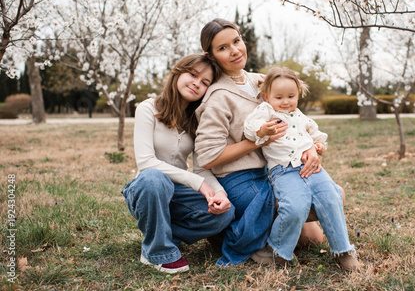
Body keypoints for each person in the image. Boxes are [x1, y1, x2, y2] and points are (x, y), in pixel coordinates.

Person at [195, 18, 324, 267]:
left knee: (313, 238)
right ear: (210, 56)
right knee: (302, 209)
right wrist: (256, 140)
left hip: (273, 169)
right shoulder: (218, 97)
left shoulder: (260, 82)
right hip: (238, 178)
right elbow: (208, 157)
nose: (234, 50)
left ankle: (255, 228)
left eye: (236, 41)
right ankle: (238, 235)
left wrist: (310, 147)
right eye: (223, 48)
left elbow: (294, 118)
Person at [122, 54, 235, 274]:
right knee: (154, 178)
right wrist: (198, 182)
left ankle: (159, 236)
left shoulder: (198, 120)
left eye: (205, 83)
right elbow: (146, 162)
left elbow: (203, 168)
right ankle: (158, 252)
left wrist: (219, 194)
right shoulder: (148, 108)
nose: (196, 83)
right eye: (193, 75)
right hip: (146, 189)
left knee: (226, 214)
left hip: (178, 194)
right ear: (177, 72)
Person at [243, 66, 360, 271]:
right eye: (279, 97)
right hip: (284, 171)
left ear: (298, 95)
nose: (285, 101)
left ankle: (343, 250)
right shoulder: (266, 111)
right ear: (267, 96)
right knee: (295, 206)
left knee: (331, 196)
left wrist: (318, 145)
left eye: (291, 96)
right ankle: (278, 250)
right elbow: (250, 126)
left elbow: (314, 132)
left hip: (311, 167)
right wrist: (263, 129)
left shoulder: (299, 115)